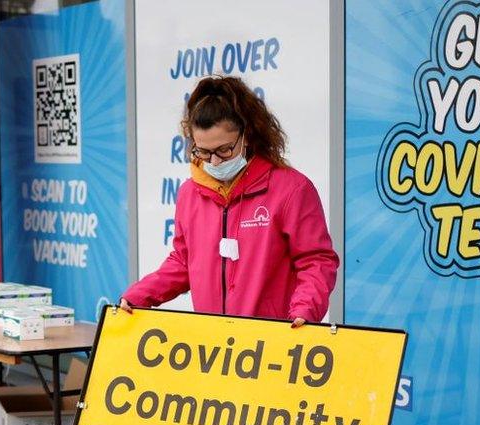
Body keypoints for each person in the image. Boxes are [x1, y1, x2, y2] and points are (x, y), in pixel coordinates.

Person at [120, 75, 339, 328]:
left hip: (273, 341)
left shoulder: (292, 189)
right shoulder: (190, 193)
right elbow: (183, 262)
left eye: (224, 150)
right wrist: (139, 295)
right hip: (215, 348)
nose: (214, 162)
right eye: (202, 151)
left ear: (247, 135)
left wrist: (305, 310)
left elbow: (317, 261)